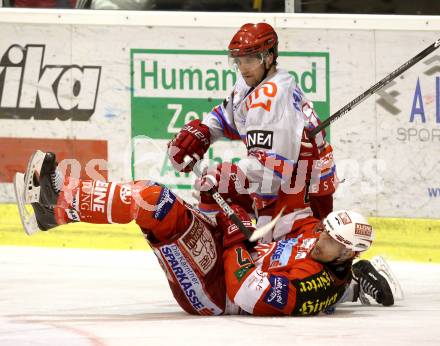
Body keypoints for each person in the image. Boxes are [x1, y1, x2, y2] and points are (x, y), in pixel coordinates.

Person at [14, 150, 395, 316]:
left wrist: (231, 233)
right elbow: (278, 208)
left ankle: (60, 198)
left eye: (331, 241)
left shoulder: (313, 286)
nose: (320, 239)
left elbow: (245, 291)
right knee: (156, 197)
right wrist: (226, 193)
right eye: (325, 232)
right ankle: (58, 209)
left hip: (215, 293)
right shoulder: (317, 235)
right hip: (225, 257)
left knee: (155, 203)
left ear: (348, 256)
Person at [167, 23, 337, 244]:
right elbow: (230, 117)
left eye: (250, 60)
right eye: (238, 60)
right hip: (290, 177)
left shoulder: (273, 95)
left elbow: (274, 169)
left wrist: (232, 174)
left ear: (269, 57)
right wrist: (204, 131)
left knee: (307, 257)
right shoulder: (252, 83)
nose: (243, 67)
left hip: (305, 187)